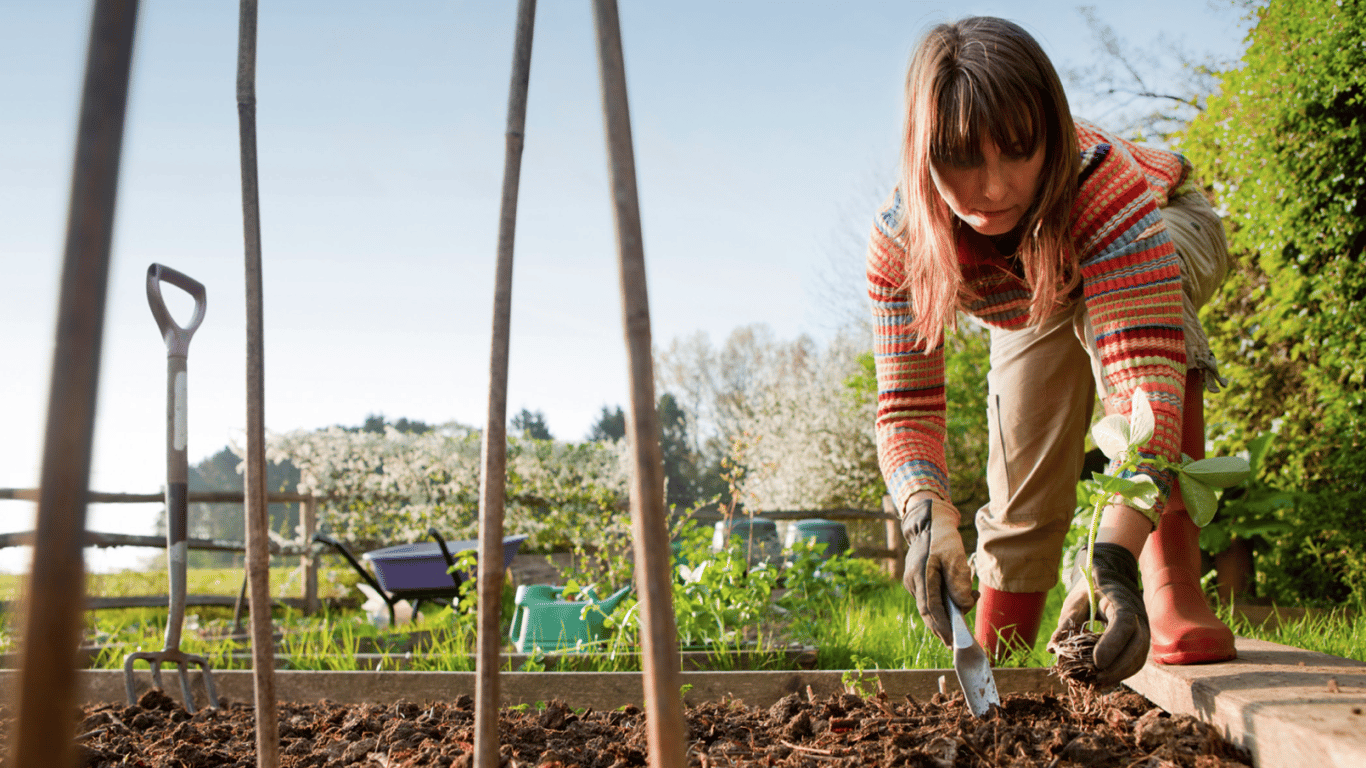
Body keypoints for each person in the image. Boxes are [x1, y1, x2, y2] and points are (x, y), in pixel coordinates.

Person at [867, 16, 1235, 687]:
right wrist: (927, 519)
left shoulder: (1104, 182)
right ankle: (1000, 649)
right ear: (923, 153)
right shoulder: (901, 244)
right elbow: (907, 412)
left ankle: (1169, 576)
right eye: (961, 158)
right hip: (1035, 286)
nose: (995, 187)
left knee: (1135, 324)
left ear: (1051, 134)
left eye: (1017, 150)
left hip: (1162, 221)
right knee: (1021, 445)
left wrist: (1113, 558)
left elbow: (1142, 383)